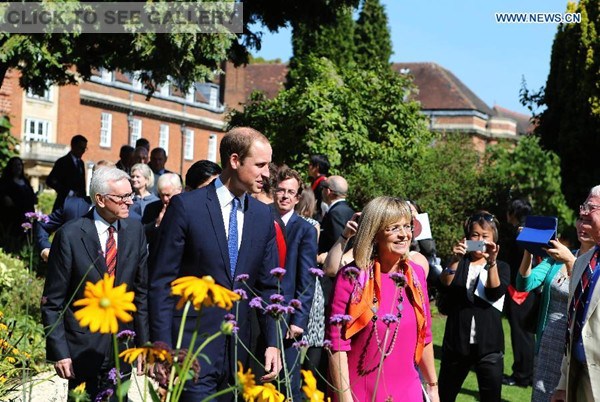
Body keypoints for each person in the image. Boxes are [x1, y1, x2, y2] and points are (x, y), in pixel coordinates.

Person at [148, 127, 282, 401]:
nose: (267, 174)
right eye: (260, 165)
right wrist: (162, 349)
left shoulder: (262, 216)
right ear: (234, 160)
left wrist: (273, 342)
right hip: (191, 350)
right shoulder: (186, 207)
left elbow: (268, 286)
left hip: (238, 355)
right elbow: (161, 282)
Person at [40, 166, 148, 400]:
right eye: (122, 197)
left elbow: (140, 293)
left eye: (130, 195)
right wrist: (60, 352)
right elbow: (53, 301)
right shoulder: (70, 235)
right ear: (100, 199)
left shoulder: (135, 230)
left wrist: (142, 343)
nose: (129, 202)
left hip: (122, 345)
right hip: (82, 349)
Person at [326, 197, 438, 401]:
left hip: (408, 390)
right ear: (375, 233)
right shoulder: (352, 277)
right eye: (394, 228)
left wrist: (432, 386)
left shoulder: (416, 275)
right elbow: (337, 344)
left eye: (407, 226)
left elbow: (426, 335)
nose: (404, 234)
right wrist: (344, 398)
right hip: (360, 391)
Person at [517, 217, 595, 402]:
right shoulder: (556, 260)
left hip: (574, 349)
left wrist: (570, 261)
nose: (582, 226)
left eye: (589, 222)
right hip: (547, 344)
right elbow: (524, 283)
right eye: (580, 220)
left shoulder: (594, 267)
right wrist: (529, 249)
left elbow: (587, 298)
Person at [437, 211, 510, 402]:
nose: (480, 240)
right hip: (456, 342)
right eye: (475, 235)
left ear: (494, 239)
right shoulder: (459, 262)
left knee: (491, 397)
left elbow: (495, 291)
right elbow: (445, 283)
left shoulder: (501, 266)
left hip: (488, 345)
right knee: (445, 395)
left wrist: (491, 261)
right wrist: (454, 259)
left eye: (485, 236)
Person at [552, 188, 600, 402]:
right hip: (577, 379)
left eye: (593, 207)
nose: (585, 211)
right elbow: (573, 325)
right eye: (584, 206)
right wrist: (563, 384)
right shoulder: (582, 263)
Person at [36, 160, 116, 262]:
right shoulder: (72, 206)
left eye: (105, 178)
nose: (98, 182)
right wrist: (45, 248)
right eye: (96, 177)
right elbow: (42, 224)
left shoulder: (125, 213)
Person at [501, 198, 536, 387]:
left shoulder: (520, 234)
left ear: (513, 213)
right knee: (527, 334)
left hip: (520, 290)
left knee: (520, 333)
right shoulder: (533, 231)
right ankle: (527, 374)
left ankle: (522, 376)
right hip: (530, 289)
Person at [0, 156, 37, 252]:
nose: (18, 167)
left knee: (26, 241)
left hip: (27, 216)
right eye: (15, 165)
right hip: (12, 218)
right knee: (12, 242)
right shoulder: (5, 182)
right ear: (11, 167)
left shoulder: (25, 182)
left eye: (20, 165)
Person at [46, 134, 87, 211]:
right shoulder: (62, 162)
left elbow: (82, 184)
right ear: (73, 146)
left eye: (84, 149)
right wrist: (67, 192)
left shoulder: (81, 163)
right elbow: (50, 180)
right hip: (64, 202)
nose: (83, 151)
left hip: (77, 204)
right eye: (81, 148)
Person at [141, 173, 183, 247]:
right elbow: (143, 236)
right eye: (161, 195)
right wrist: (157, 223)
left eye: (168, 195)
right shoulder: (151, 208)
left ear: (179, 190)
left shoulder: (187, 208)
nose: (165, 199)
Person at [307, 154, 329, 221]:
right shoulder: (315, 181)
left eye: (310, 164)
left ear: (317, 167)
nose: (308, 167)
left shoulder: (323, 184)